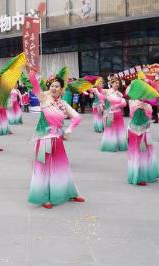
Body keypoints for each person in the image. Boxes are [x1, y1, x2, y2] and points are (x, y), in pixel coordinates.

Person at [26, 66, 84, 209]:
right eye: (52, 86)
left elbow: (77, 118)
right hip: (44, 139)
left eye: (57, 86)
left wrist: (69, 130)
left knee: (62, 166)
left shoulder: (63, 104)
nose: (54, 88)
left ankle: (69, 192)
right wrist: (30, 71)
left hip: (57, 139)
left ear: (61, 89)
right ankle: (43, 197)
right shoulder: (44, 99)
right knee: (43, 168)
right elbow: (34, 83)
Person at [127, 98, 159, 186]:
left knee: (146, 153)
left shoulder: (148, 104)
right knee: (137, 154)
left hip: (145, 131)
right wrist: (140, 108)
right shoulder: (133, 102)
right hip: (135, 131)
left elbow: (149, 117)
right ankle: (137, 177)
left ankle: (147, 173)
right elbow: (133, 117)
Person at [97, 78, 127, 152]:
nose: (117, 84)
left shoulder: (119, 93)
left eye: (118, 83)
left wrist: (119, 104)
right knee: (110, 129)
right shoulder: (107, 91)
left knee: (120, 130)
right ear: (111, 84)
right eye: (115, 83)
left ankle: (120, 146)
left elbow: (124, 103)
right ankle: (110, 146)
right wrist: (98, 83)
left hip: (118, 113)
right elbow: (99, 90)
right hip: (110, 113)